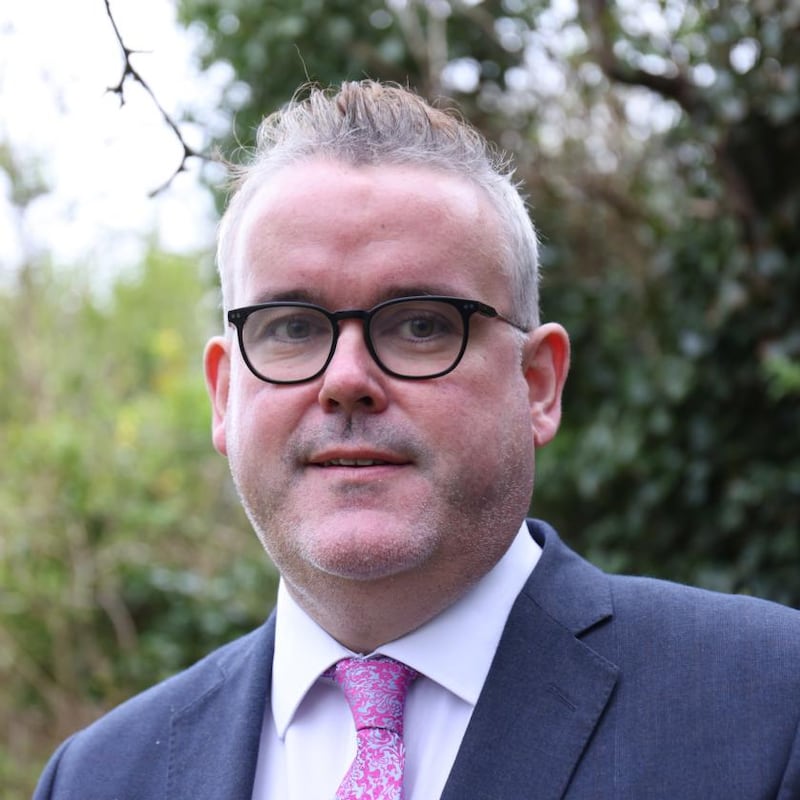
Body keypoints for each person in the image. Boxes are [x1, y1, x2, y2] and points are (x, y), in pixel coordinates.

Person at [34, 80, 800, 800]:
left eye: (422, 325)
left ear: (538, 383)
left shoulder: (768, 703)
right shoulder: (100, 777)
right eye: (293, 329)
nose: (347, 378)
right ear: (226, 395)